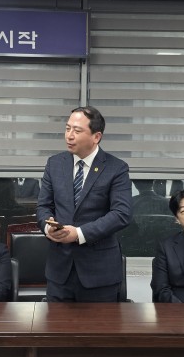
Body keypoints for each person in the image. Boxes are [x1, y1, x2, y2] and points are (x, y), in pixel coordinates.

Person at [36, 106, 132, 302]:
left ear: (96, 137)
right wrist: (48, 227)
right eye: (67, 128)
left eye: (77, 130)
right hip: (59, 272)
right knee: (55, 322)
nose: (69, 135)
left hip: (99, 274)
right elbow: (43, 206)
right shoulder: (55, 164)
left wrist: (79, 234)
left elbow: (121, 214)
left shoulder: (116, 168)